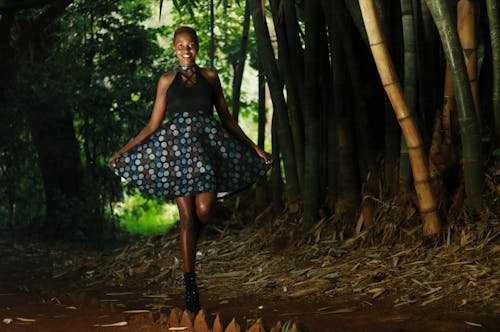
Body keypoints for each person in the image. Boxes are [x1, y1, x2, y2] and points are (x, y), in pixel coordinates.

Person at [108, 26, 272, 313]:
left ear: (197, 47)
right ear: (174, 49)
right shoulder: (166, 81)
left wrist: (255, 148)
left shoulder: (210, 77)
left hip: (204, 154)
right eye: (181, 45)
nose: (186, 49)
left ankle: (195, 239)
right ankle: (190, 285)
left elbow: (227, 119)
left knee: (204, 212)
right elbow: (152, 125)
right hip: (175, 156)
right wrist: (123, 152)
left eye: (191, 44)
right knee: (186, 219)